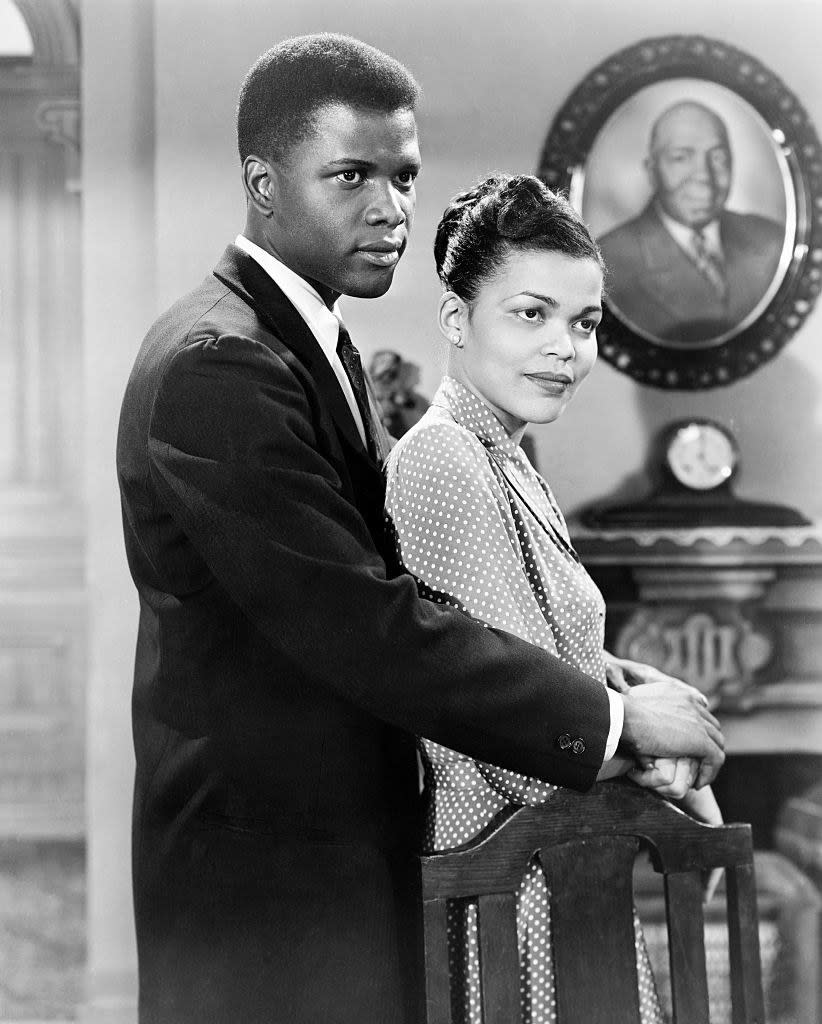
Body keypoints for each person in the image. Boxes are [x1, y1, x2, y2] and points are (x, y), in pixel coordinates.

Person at [116, 35, 725, 1024]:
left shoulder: (314, 348)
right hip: (264, 878)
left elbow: (409, 594)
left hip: (335, 858)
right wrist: (613, 727)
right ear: (262, 182)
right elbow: (361, 619)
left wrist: (600, 681)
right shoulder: (218, 363)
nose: (391, 207)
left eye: (402, 175)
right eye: (350, 174)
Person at [384, 173, 723, 1023]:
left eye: (584, 323)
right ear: (457, 320)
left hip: (558, 863)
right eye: (531, 314)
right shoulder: (445, 459)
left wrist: (642, 696)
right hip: (507, 877)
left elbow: (551, 652)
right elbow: (508, 723)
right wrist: (669, 760)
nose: (566, 348)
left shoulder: (505, 452)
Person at [598, 100, 785, 343]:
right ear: (652, 172)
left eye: (717, 157)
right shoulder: (608, 263)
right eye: (681, 158)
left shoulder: (773, 241)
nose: (704, 175)